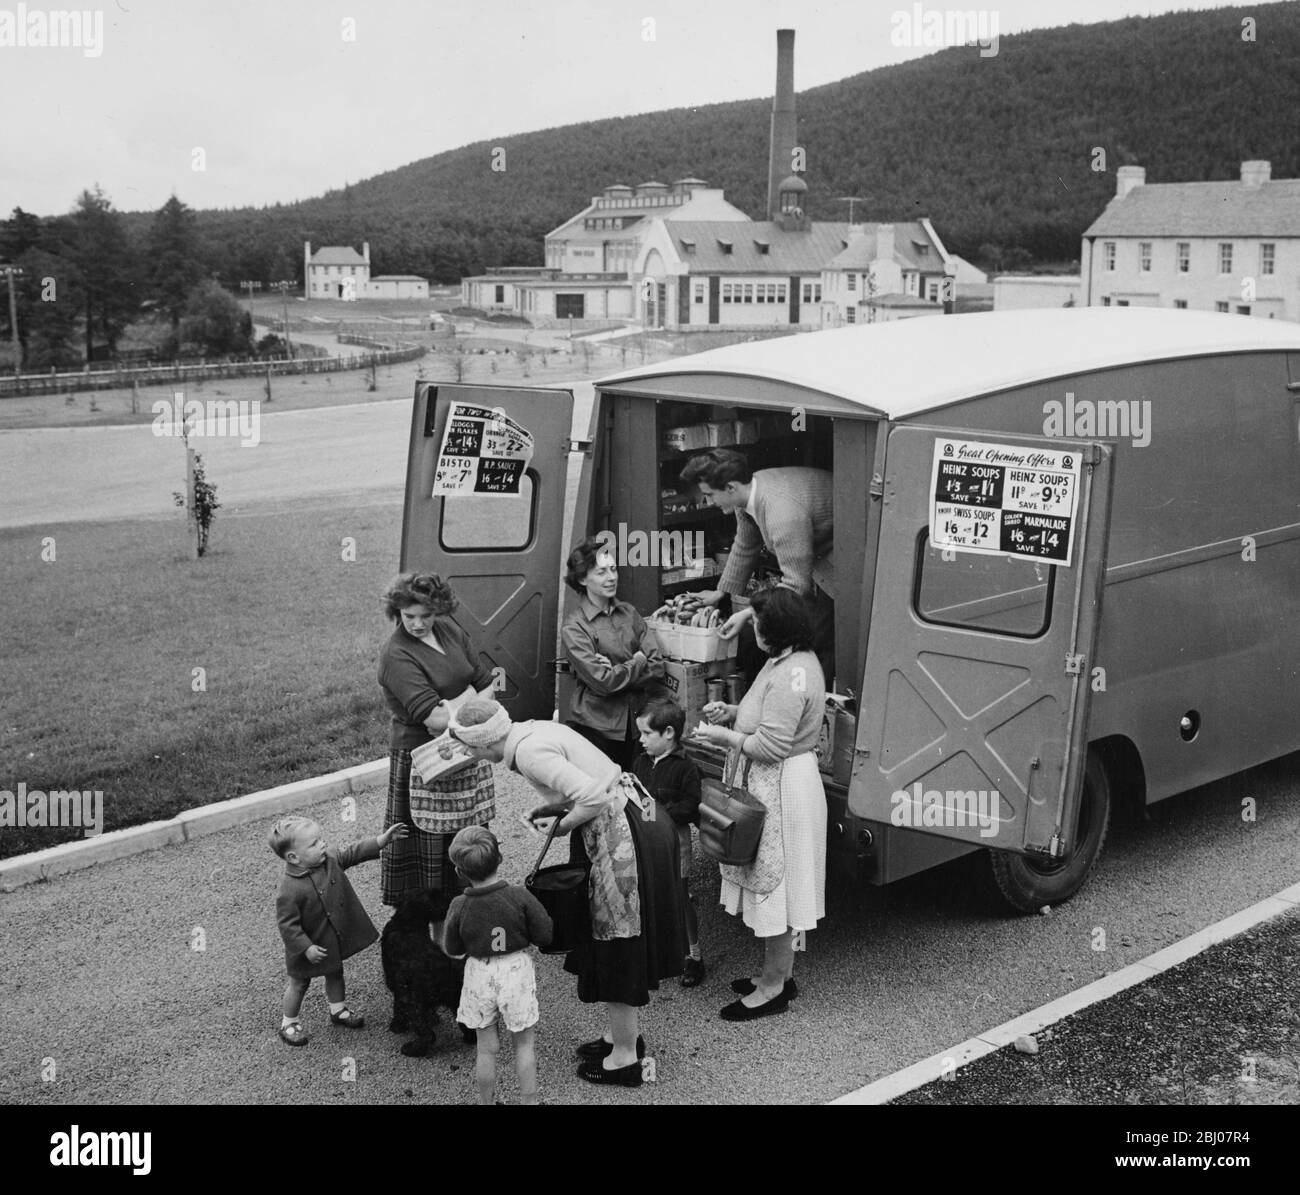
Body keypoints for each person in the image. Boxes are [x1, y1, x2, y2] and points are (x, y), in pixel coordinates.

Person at [446, 699, 687, 1088]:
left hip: (622, 835)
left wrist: (562, 826)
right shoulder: (530, 729)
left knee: (616, 942)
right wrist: (554, 810)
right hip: (638, 813)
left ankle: (625, 1059)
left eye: (468, 748)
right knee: (613, 939)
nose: (468, 755)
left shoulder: (527, 753)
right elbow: (587, 781)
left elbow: (594, 799)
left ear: (481, 744)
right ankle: (620, 1036)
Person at [688, 587, 827, 1021]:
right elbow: (766, 719)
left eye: (759, 626)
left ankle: (773, 987)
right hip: (778, 783)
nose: (755, 634)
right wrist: (732, 714)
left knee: (773, 881)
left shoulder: (790, 673)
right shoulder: (789, 660)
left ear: (777, 630)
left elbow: (770, 745)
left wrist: (720, 736)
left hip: (781, 784)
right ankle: (778, 974)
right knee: (772, 879)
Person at [377, 573, 499, 905]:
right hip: (424, 757)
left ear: (439, 609)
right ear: (396, 612)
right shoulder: (396, 655)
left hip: (463, 747)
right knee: (430, 841)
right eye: (408, 616)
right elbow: (434, 718)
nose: (417, 624)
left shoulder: (448, 630)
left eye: (425, 616)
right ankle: (437, 930)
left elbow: (487, 683)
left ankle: (472, 906)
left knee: (467, 835)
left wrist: (457, 706)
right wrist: (470, 699)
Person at [679, 449, 835, 682]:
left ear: (731, 487)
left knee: (819, 638)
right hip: (820, 555)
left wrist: (749, 613)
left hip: (844, 558)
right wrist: (721, 593)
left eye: (710, 495)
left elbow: (796, 586)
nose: (708, 502)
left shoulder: (781, 513)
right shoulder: (748, 494)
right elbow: (745, 546)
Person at [271, 815, 409, 1046]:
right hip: (306, 946)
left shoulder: (329, 859)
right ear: (293, 857)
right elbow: (287, 925)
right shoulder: (289, 889)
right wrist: (305, 947)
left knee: (335, 972)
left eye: (320, 839)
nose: (322, 844)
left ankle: (338, 1009)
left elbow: (351, 852)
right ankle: (289, 1021)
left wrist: (380, 841)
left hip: (328, 939)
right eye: (314, 843)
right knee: (299, 983)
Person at [443, 825, 553, 1106]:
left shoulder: (459, 905)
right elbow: (545, 935)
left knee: (486, 1049)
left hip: (480, 972)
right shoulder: (519, 896)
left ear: (460, 872)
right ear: (500, 859)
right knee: (524, 1043)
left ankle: (486, 1102)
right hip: (515, 970)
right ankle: (530, 1101)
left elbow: (452, 948)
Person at [561, 536, 669, 770]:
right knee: (604, 794)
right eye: (601, 572)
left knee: (638, 792)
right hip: (597, 728)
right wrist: (637, 660)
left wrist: (616, 671)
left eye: (613, 569)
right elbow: (603, 683)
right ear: (582, 579)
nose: (611, 577)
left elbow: (658, 666)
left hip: (638, 722)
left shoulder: (629, 613)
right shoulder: (575, 627)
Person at [631, 697, 705, 987]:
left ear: (669, 733)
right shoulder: (640, 762)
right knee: (645, 893)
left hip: (674, 841)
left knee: (679, 896)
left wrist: (656, 813)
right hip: (644, 840)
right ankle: (653, 952)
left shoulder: (685, 768)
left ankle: (694, 956)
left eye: (647, 734)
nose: (641, 740)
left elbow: (691, 803)